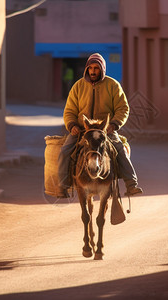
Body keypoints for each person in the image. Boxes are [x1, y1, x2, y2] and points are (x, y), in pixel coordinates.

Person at [57, 53, 143, 198]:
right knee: (65, 150)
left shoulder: (113, 85)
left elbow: (123, 108)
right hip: (82, 130)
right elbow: (69, 110)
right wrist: (72, 125)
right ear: (86, 69)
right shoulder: (78, 86)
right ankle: (62, 186)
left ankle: (131, 184)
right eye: (90, 68)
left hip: (105, 129)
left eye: (96, 68)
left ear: (102, 69)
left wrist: (114, 124)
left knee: (120, 150)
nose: (93, 71)